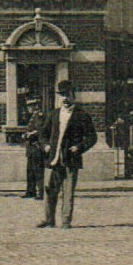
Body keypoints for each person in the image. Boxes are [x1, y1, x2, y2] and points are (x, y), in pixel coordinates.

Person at [38, 80, 97, 229]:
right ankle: (49, 220)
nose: (65, 98)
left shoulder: (82, 115)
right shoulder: (53, 114)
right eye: (62, 95)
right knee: (49, 190)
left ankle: (65, 221)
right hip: (53, 159)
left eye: (67, 95)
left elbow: (92, 137)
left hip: (70, 159)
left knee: (68, 192)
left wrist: (79, 147)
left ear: (73, 96)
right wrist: (45, 145)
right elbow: (42, 134)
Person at [21, 97, 46, 199]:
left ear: (36, 106)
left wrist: (29, 134)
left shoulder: (39, 116)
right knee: (30, 170)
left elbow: (40, 130)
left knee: (38, 171)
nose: (28, 108)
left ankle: (41, 192)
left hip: (37, 147)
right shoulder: (33, 117)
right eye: (28, 106)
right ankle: (30, 191)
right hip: (31, 148)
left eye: (30, 106)